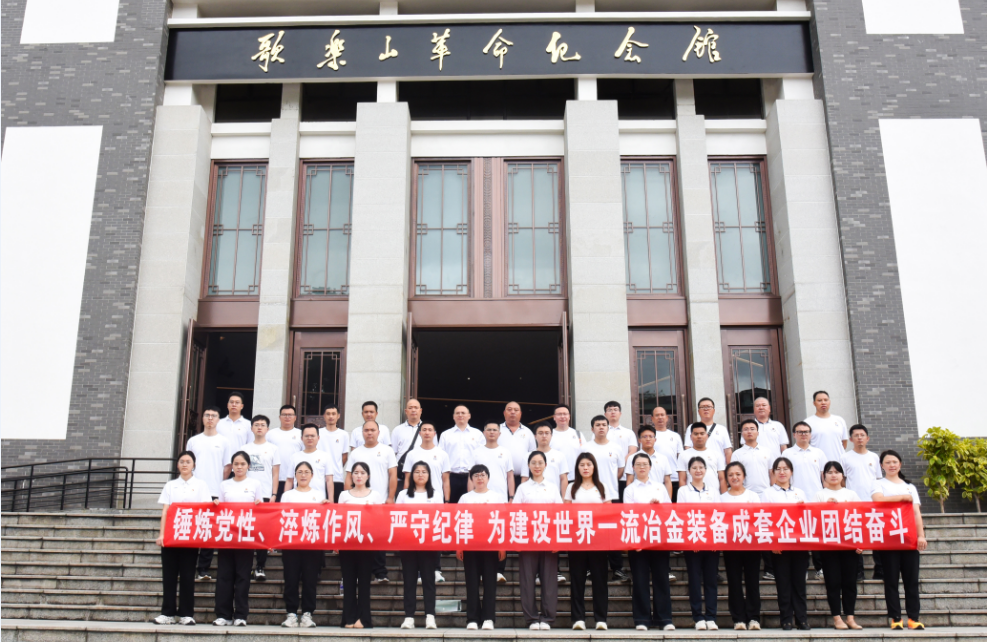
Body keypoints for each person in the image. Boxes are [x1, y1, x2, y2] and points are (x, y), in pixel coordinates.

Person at [153, 450, 213, 625]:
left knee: (187, 576)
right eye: (182, 461)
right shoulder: (171, 485)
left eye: (188, 461)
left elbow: (205, 510)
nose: (185, 464)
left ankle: (186, 614)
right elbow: (165, 511)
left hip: (190, 537)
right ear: (177, 465)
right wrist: (162, 534)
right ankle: (167, 613)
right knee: (169, 576)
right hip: (171, 537)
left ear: (194, 465)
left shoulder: (201, 485)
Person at [871, 450, 928, 631]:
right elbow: (878, 501)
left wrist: (921, 535)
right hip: (889, 539)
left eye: (895, 462)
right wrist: (902, 498)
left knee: (911, 581)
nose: (892, 465)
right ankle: (896, 618)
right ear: (882, 466)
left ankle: (913, 618)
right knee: (891, 581)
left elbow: (916, 512)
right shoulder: (878, 484)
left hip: (909, 539)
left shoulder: (910, 487)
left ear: (900, 464)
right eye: (888, 462)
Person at [624, 452, 675, 631]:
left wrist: (658, 507)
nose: (642, 467)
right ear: (633, 468)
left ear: (650, 467)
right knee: (640, 580)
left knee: (661, 579)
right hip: (638, 540)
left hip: (659, 538)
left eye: (645, 464)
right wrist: (647, 507)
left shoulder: (660, 487)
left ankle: (664, 619)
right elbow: (629, 514)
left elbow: (669, 511)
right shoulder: (629, 490)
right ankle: (642, 619)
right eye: (638, 464)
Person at [513, 450, 563, 630]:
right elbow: (515, 514)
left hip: (548, 539)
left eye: (540, 463)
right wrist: (517, 540)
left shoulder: (552, 487)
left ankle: (548, 618)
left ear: (545, 465)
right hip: (527, 540)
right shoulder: (522, 488)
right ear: (528, 466)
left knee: (549, 581)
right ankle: (532, 619)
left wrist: (557, 540)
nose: (537, 466)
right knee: (527, 580)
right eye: (533, 463)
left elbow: (560, 514)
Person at [213, 451, 263, 626]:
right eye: (236, 464)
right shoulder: (224, 485)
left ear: (248, 466)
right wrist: (216, 504)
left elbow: (260, 510)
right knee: (224, 576)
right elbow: (219, 509)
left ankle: (241, 615)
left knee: (243, 576)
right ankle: (223, 615)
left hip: (246, 536)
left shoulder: (255, 484)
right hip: (227, 535)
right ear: (232, 466)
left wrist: (259, 505)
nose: (239, 467)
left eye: (242, 464)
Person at [761, 457, 810, 631]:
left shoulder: (800, 493)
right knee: (783, 583)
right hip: (779, 545)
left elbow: (806, 519)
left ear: (791, 472)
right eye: (779, 469)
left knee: (799, 583)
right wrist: (773, 542)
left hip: (799, 544)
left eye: (786, 469)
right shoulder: (768, 493)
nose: (782, 472)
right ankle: (786, 619)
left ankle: (802, 619)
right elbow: (765, 519)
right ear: (773, 472)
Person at [345, 420, 397, 583]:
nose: (369, 433)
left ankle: (380, 572)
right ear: (362, 433)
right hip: (357, 502)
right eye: (366, 430)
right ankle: (358, 572)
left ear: (378, 432)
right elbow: (349, 476)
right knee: (359, 536)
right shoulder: (356, 453)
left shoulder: (387, 450)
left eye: (372, 430)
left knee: (378, 537)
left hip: (379, 502)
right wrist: (347, 497)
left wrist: (390, 498)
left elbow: (393, 475)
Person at [814, 461, 864, 630]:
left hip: (849, 544)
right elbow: (813, 519)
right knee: (833, 582)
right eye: (830, 472)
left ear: (842, 475)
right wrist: (825, 507)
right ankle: (837, 618)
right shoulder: (819, 495)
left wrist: (860, 542)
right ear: (824, 476)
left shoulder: (851, 494)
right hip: (828, 546)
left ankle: (850, 617)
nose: (833, 475)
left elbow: (860, 518)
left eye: (837, 472)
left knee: (850, 582)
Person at [279, 461, 330, 629]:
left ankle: (308, 613)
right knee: (291, 579)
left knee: (310, 580)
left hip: (312, 544)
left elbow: (324, 519)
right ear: (295, 475)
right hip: (291, 544)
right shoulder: (287, 495)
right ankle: (291, 614)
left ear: (312, 475)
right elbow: (280, 518)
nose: (303, 475)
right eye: (300, 472)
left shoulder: (318, 495)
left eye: (306, 472)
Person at [396, 462, 444, 629]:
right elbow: (397, 517)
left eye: (424, 471)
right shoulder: (403, 494)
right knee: (409, 581)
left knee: (428, 580)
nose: (420, 474)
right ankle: (409, 617)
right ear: (412, 475)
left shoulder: (436, 495)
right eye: (417, 471)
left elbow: (440, 517)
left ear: (429, 475)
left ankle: (430, 616)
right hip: (408, 543)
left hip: (428, 544)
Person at [186, 406, 232, 581]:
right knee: (192, 528)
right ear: (202, 418)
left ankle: (203, 568)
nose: (210, 418)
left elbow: (227, 467)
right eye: (207, 415)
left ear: (219, 419)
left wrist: (219, 485)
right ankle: (189, 567)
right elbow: (188, 464)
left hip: (214, 490)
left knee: (208, 529)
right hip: (194, 491)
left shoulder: (224, 441)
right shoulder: (193, 441)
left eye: (214, 415)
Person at [564, 453, 610, 631]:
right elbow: (566, 512)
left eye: (588, 464)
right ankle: (578, 618)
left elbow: (608, 513)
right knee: (577, 579)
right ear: (577, 468)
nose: (585, 468)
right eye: (582, 465)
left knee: (600, 579)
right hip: (577, 538)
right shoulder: (571, 487)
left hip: (598, 539)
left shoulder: (602, 487)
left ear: (594, 467)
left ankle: (601, 618)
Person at [458, 464, 506, 631]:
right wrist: (459, 545)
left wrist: (502, 545)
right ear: (471, 479)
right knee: (471, 582)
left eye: (483, 475)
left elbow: (502, 522)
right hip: (470, 545)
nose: (480, 478)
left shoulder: (496, 497)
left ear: (488, 478)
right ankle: (472, 618)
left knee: (490, 582)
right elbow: (459, 522)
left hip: (491, 545)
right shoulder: (465, 498)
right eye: (476, 475)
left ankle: (488, 618)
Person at [581, 415, 628, 582]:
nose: (601, 427)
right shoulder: (585, 448)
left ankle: (617, 568)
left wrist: (609, 484)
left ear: (608, 428)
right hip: (590, 497)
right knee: (590, 531)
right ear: (592, 429)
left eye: (604, 424)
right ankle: (589, 569)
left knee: (612, 533)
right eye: (597, 425)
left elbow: (620, 470)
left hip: (612, 496)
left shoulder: (616, 447)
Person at [338, 462, 383, 628]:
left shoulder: (375, 495)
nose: (359, 476)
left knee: (364, 582)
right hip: (348, 542)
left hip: (367, 544)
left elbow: (380, 519)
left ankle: (363, 619)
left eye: (362, 473)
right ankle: (349, 618)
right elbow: (339, 518)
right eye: (356, 473)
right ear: (351, 476)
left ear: (368, 476)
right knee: (349, 581)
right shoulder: (344, 495)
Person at [678, 456, 720, 630]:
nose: (698, 470)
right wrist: (691, 540)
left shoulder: (713, 491)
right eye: (694, 467)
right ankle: (698, 617)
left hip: (711, 542)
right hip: (692, 542)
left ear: (706, 470)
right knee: (695, 580)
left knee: (711, 580)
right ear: (689, 471)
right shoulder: (683, 491)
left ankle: (711, 616)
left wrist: (714, 540)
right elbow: (682, 515)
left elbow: (717, 515)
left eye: (701, 467)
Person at [719, 461, 761, 631]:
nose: (734, 477)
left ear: (744, 476)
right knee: (734, 582)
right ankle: (738, 619)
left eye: (738, 474)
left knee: (753, 582)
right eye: (731, 475)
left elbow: (759, 519)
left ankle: (754, 618)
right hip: (731, 546)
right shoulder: (722, 498)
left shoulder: (753, 496)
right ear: (726, 478)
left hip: (752, 545)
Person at [471, 422, 515, 583]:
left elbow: (510, 476)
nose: (491, 432)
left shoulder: (505, 452)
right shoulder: (476, 452)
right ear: (483, 432)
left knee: (500, 532)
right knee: (481, 533)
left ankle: (499, 570)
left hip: (500, 499)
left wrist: (511, 497)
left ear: (499, 433)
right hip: (478, 499)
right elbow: (471, 475)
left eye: (495, 430)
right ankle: (481, 570)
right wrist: (470, 497)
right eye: (488, 429)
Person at [242, 414, 280, 581]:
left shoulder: (273, 448)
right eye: (256, 424)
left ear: (267, 429)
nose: (259, 427)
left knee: (263, 531)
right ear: (251, 428)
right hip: (247, 494)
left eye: (262, 425)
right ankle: (246, 566)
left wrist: (273, 494)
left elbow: (275, 474)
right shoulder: (244, 448)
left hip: (265, 494)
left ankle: (260, 567)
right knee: (247, 530)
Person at [843, 424, 883, 580]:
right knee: (856, 537)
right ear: (851, 439)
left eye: (862, 435)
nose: (859, 438)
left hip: (872, 503)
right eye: (856, 435)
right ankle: (858, 571)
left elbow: (878, 479)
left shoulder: (874, 457)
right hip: (853, 504)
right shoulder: (845, 457)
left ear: (868, 438)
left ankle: (879, 570)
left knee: (876, 536)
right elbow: (842, 480)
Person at [787, 420, 826, 577]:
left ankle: (820, 568)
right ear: (794, 434)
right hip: (795, 500)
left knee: (816, 535)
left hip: (815, 499)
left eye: (806, 432)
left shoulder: (818, 453)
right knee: (799, 536)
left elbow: (824, 476)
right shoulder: (787, 454)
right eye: (800, 432)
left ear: (810, 435)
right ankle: (801, 570)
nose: (803, 434)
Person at [438, 405, 483, 504]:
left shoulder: (477, 434)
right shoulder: (445, 435)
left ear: (469, 416)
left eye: (463, 413)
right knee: (451, 506)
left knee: (471, 506)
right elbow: (440, 457)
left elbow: (482, 457)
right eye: (457, 413)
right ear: (453, 416)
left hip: (472, 477)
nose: (460, 415)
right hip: (451, 477)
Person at [285, 424, 335, 501]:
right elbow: (289, 480)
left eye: (312, 436)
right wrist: (285, 498)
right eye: (307, 436)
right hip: (297, 499)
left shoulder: (325, 456)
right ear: (302, 438)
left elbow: (329, 480)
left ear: (318, 438)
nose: (309, 438)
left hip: (318, 499)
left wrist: (331, 500)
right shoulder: (294, 457)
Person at [402, 422, 451, 500]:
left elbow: (446, 481)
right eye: (424, 430)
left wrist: (447, 501)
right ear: (420, 433)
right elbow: (407, 479)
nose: (427, 432)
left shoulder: (443, 454)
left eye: (430, 430)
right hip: (415, 497)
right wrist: (405, 498)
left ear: (434, 434)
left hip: (436, 497)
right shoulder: (411, 454)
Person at [624, 425, 673, 501]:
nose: (648, 439)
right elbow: (629, 480)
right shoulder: (632, 458)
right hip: (639, 497)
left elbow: (667, 481)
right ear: (639, 440)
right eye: (645, 436)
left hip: (658, 496)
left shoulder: (663, 458)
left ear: (655, 439)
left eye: (651, 436)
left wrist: (668, 501)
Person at [677, 423, 726, 494]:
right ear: (691, 437)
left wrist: (724, 497)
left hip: (713, 495)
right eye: (696, 434)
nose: (699, 436)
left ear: (707, 436)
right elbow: (682, 479)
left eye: (702, 433)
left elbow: (722, 479)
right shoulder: (683, 455)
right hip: (692, 495)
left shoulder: (716, 454)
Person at [523, 423, 568, 498]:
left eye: (547, 433)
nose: (544, 436)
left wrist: (564, 499)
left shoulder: (560, 455)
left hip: (553, 498)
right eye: (540, 433)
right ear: (535, 436)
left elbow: (563, 479)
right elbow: (525, 478)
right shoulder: (527, 456)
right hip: (533, 498)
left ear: (551, 435)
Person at [267, 405, 302, 501]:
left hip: (294, 478)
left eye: (290, 415)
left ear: (295, 417)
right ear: (279, 417)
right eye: (284, 415)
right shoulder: (270, 434)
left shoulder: (300, 434)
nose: (287, 417)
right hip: (274, 479)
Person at [805, 391, 848, 466]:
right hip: (818, 465)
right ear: (814, 403)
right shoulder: (807, 423)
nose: (823, 403)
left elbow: (844, 443)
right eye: (819, 400)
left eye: (826, 400)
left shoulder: (839, 420)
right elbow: (805, 445)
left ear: (829, 402)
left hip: (839, 465)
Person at [499, 401, 536, 490]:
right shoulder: (496, 430)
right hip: (501, 478)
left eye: (516, 410)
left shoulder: (528, 432)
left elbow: (533, 455)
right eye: (509, 409)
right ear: (504, 413)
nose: (513, 412)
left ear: (520, 414)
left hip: (523, 479)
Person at [730, 419, 772, 496]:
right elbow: (734, 475)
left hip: (766, 493)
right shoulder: (737, 454)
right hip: (745, 494)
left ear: (758, 433)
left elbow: (772, 473)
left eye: (752, 429)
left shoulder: (767, 451)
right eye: (746, 429)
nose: (749, 432)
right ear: (742, 433)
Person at [650, 406, 683, 500]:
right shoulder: (649, 437)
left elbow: (681, 457)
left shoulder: (675, 436)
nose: (660, 417)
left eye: (662, 415)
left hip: (674, 478)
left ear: (667, 418)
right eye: (657, 415)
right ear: (652, 418)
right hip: (655, 479)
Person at [685, 398, 733, 464]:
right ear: (698, 411)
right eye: (702, 407)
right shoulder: (691, 427)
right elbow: (688, 448)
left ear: (714, 410)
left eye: (709, 407)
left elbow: (728, 451)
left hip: (719, 467)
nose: (706, 409)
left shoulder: (722, 429)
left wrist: (729, 467)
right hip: (699, 467)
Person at [317, 404, 348, 501]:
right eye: (328, 414)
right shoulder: (318, 433)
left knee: (335, 505)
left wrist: (336, 467)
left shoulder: (344, 434)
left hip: (337, 477)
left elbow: (345, 456)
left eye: (333, 414)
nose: (331, 416)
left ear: (338, 416)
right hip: (319, 477)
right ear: (324, 416)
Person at [392, 398, 425, 489]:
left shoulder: (428, 429)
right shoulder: (397, 430)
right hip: (402, 476)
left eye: (416, 408)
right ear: (406, 411)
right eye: (410, 408)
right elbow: (393, 454)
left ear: (420, 411)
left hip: (422, 475)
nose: (413, 410)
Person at [548, 404, 583, 481]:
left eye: (565, 414)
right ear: (554, 417)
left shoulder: (578, 434)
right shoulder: (549, 435)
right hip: (555, 479)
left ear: (569, 416)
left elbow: (585, 456)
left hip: (576, 478)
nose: (562, 416)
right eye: (559, 414)